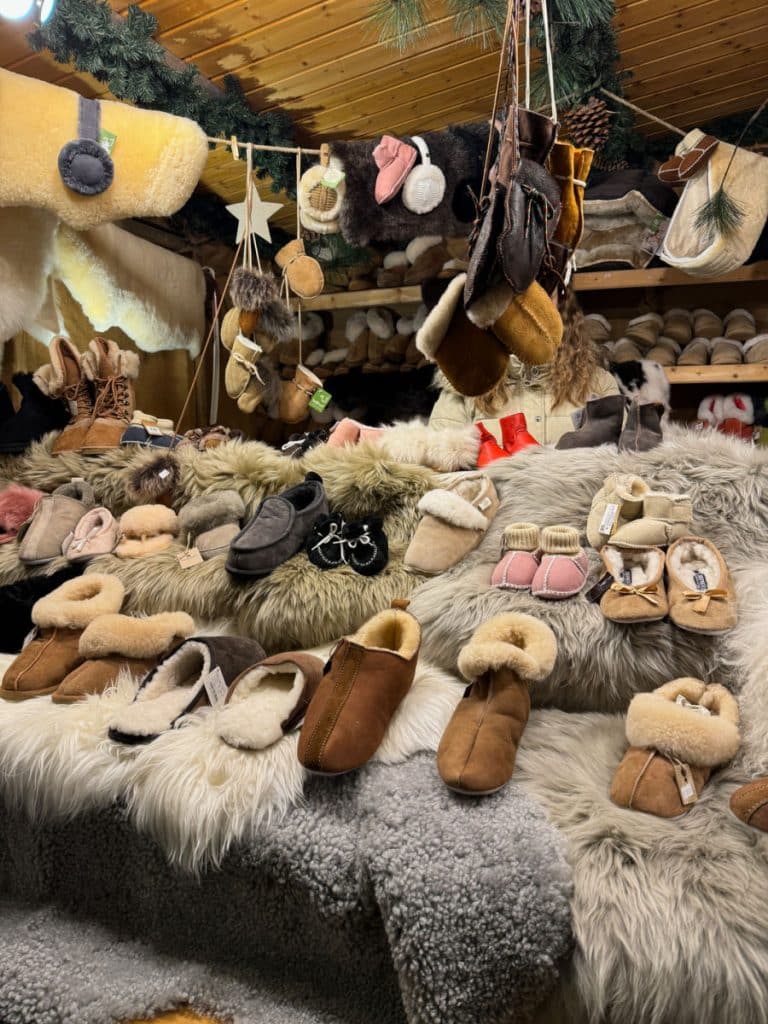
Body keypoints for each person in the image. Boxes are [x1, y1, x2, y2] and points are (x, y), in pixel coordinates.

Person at [429, 286, 618, 444]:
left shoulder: (597, 384)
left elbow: (622, 469)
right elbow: (440, 468)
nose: (530, 307)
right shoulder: (466, 385)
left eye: (543, 294)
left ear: (561, 301)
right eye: (517, 295)